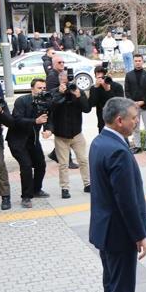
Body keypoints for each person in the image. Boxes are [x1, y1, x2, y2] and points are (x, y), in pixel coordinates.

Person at [89, 97, 146, 292]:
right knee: (121, 291)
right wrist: (139, 234)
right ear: (119, 120)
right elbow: (125, 199)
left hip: (106, 229)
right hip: (119, 233)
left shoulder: (100, 141)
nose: (136, 122)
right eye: (133, 118)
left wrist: (142, 216)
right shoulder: (117, 150)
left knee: (112, 287)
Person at [46, 70, 91, 199]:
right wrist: (60, 93)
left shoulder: (77, 90)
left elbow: (87, 109)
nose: (66, 80)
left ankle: (87, 184)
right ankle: (64, 188)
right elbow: (50, 108)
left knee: (83, 160)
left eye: (68, 78)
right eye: (63, 78)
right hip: (61, 135)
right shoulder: (54, 92)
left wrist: (79, 96)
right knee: (63, 164)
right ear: (60, 79)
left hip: (77, 134)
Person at [7, 78, 51, 208]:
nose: (42, 91)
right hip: (17, 140)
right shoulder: (21, 101)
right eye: (39, 88)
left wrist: (48, 130)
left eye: (44, 88)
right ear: (32, 89)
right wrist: (34, 121)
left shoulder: (46, 101)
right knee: (26, 166)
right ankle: (26, 197)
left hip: (33, 139)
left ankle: (36, 189)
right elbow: (16, 120)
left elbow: (49, 118)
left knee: (41, 164)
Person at [124, 54, 146, 154]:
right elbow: (127, 91)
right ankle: (137, 146)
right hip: (133, 106)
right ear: (133, 62)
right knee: (135, 127)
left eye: (139, 61)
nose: (137, 62)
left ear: (142, 62)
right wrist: (133, 102)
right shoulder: (129, 75)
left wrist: (143, 101)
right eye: (136, 61)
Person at [89, 66, 124, 133]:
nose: (101, 80)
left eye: (102, 77)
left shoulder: (117, 86)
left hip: (116, 121)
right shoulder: (94, 88)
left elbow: (119, 105)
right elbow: (92, 104)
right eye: (99, 77)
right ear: (95, 77)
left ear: (106, 76)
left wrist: (108, 90)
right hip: (102, 122)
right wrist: (96, 88)